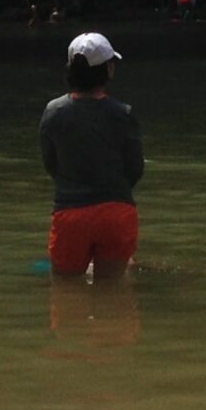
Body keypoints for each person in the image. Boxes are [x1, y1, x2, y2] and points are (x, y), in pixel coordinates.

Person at [40, 32, 142, 278]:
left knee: (66, 289)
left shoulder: (54, 112)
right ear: (108, 69)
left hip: (71, 213)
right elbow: (135, 168)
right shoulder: (122, 113)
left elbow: (50, 163)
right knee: (114, 292)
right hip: (116, 212)